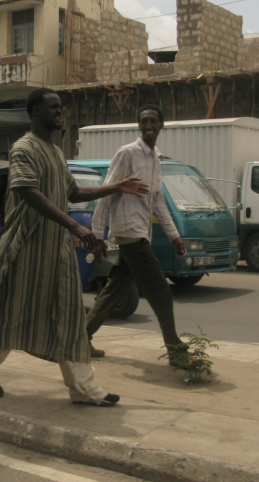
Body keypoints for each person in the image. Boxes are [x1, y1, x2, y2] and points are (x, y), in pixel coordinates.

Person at [0, 88, 149, 406]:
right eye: (53, 107)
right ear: (36, 112)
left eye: (61, 107)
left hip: (57, 250)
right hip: (24, 249)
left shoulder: (56, 153)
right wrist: (75, 225)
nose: (60, 112)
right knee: (9, 313)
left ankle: (83, 387)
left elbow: (73, 193)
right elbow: (27, 190)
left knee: (69, 316)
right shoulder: (23, 148)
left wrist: (117, 187)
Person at [86, 104, 190, 365]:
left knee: (114, 290)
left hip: (142, 232)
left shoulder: (155, 157)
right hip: (128, 231)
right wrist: (98, 235)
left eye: (153, 121)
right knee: (161, 293)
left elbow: (157, 201)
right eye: (143, 121)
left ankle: (79, 339)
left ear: (161, 125)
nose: (148, 125)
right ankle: (176, 352)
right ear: (138, 125)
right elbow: (107, 191)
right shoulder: (127, 153)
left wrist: (174, 236)